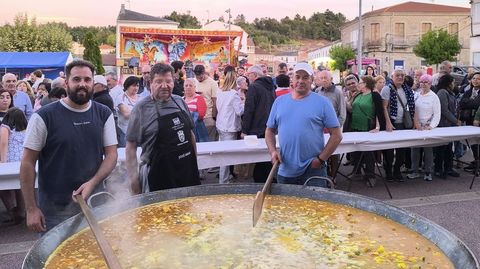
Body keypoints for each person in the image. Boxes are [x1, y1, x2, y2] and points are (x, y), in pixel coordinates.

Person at [20, 60, 118, 233]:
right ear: (66, 83)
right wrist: (31, 209)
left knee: (96, 258)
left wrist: (92, 182)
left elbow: (111, 155)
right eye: (76, 79)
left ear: (93, 83)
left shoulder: (104, 113)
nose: (82, 84)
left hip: (96, 203)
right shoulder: (44, 116)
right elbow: (27, 163)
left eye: (87, 80)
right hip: (55, 210)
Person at [126, 63, 200, 194]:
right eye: (159, 81)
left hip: (187, 172)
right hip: (158, 176)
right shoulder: (141, 108)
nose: (164, 86)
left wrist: (195, 165)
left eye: (168, 81)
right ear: (150, 83)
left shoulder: (180, 101)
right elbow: (131, 148)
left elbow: (190, 135)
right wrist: (134, 184)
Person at [265, 62, 342, 187]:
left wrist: (321, 159)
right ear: (292, 79)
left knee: (313, 206)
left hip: (313, 170)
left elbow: (337, 135)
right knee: (286, 207)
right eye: (298, 76)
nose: (301, 81)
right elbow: (269, 130)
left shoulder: (322, 102)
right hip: (285, 169)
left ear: (312, 79)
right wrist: (273, 152)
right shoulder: (279, 102)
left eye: (305, 77)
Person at [347, 75, 385, 187]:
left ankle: (370, 175)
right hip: (355, 125)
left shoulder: (374, 95)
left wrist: (378, 127)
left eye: (360, 83)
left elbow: (380, 112)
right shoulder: (358, 94)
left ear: (366, 84)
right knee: (356, 150)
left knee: (368, 153)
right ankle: (357, 171)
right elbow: (351, 109)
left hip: (368, 127)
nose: (358, 84)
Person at [242, 65, 276, 183]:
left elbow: (249, 109)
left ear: (255, 75)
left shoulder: (254, 87)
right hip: (269, 127)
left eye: (249, 74)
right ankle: (269, 182)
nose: (247, 76)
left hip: (257, 128)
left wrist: (244, 130)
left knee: (259, 160)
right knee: (266, 159)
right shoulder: (271, 87)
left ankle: (263, 185)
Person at [381, 69, 415, 181]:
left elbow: (412, 107)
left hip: (403, 123)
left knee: (402, 150)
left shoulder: (407, 89)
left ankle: (397, 171)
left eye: (402, 75)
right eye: (397, 75)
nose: (400, 77)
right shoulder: (387, 89)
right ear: (392, 76)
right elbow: (384, 107)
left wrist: (415, 122)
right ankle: (389, 171)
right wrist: (388, 123)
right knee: (389, 150)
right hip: (392, 122)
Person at [406, 74, 441, 182]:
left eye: (426, 82)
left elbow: (437, 114)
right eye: (422, 82)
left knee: (428, 151)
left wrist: (431, 126)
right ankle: (414, 170)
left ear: (430, 84)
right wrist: (415, 123)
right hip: (416, 127)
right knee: (414, 150)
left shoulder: (434, 97)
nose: (424, 84)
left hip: (427, 128)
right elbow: (410, 109)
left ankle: (428, 172)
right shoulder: (416, 95)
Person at [216, 69, 244, 184]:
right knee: (226, 156)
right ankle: (224, 181)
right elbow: (239, 112)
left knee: (223, 153)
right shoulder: (234, 94)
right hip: (230, 126)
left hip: (221, 124)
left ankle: (224, 178)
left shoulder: (220, 93)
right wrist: (245, 103)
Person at [0, 107, 28, 224]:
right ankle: (22, 210)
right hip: (22, 162)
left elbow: (3, 143)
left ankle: (12, 210)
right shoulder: (25, 129)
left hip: (10, 162)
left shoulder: (5, 128)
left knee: (3, 187)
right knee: (20, 187)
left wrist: (3, 161)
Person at [434, 74, 461, 179]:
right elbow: (444, 110)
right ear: (448, 83)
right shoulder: (442, 92)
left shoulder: (450, 92)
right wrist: (455, 121)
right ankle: (438, 169)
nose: (454, 84)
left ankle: (448, 168)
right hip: (443, 124)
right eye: (453, 82)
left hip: (449, 125)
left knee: (449, 148)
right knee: (441, 148)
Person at [459, 72, 480, 172]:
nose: (475, 80)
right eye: (474, 78)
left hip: (478, 121)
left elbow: (477, 104)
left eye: (478, 79)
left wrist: (469, 102)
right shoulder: (468, 91)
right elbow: (461, 103)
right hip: (468, 120)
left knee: (478, 142)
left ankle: (478, 163)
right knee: (472, 143)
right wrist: (471, 103)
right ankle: (476, 161)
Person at [194, 64, 219, 141]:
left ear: (204, 73)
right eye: (197, 77)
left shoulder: (213, 83)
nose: (199, 79)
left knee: (210, 141)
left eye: (200, 77)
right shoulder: (194, 81)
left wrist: (213, 117)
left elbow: (215, 101)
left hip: (208, 117)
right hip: (196, 116)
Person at [183, 78, 209, 143]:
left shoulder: (199, 98)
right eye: (186, 85)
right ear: (183, 88)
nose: (188, 87)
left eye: (190, 85)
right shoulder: (181, 99)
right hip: (185, 130)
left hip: (197, 129)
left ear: (194, 87)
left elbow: (201, 114)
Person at [117, 76, 140, 147]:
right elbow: (126, 114)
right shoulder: (121, 97)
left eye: (137, 86)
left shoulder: (140, 97)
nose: (136, 88)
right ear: (127, 86)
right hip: (125, 132)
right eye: (133, 85)